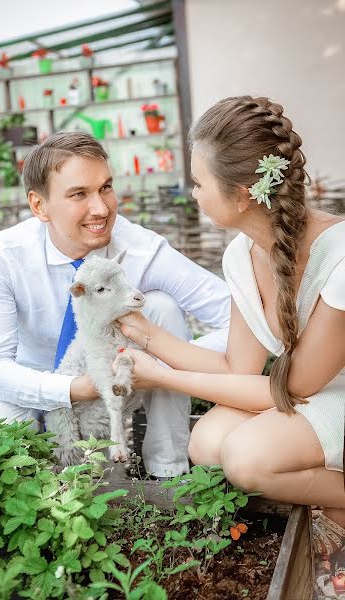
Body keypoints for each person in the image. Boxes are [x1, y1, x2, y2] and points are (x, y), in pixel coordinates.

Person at [113, 96, 345, 592]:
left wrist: (165, 376)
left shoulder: (340, 254)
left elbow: (293, 389)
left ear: (241, 194)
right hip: (305, 395)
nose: (192, 193)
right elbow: (237, 367)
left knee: (245, 458)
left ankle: (339, 502)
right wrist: (148, 335)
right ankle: (317, 491)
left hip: (330, 393)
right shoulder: (243, 253)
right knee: (208, 441)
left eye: (198, 182)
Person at [0, 131, 231, 479]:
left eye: (105, 187)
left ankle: (167, 470)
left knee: (161, 307)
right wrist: (76, 389)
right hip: (33, 384)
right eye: (79, 194)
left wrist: (163, 367)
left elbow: (236, 320)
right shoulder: (3, 256)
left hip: (121, 380)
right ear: (39, 206)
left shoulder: (140, 248)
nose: (101, 209)